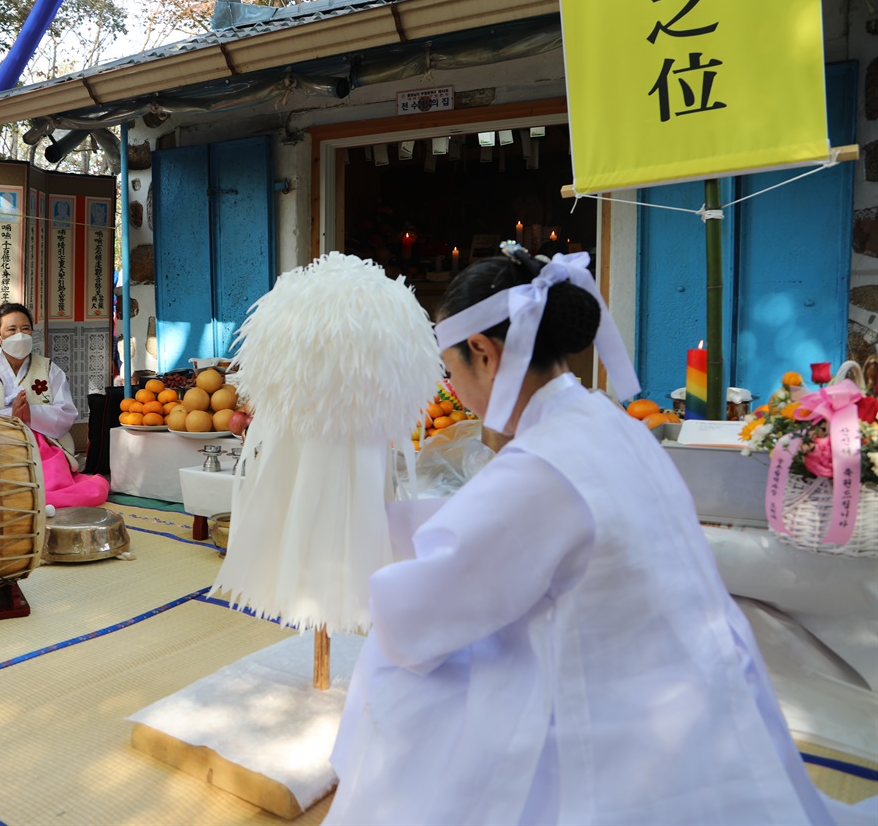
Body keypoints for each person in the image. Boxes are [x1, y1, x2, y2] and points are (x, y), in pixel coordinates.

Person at [325, 248, 843, 824]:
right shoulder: (608, 423)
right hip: (699, 681)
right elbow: (517, 533)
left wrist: (365, 558)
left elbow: (423, 612)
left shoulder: (542, 465)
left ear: (484, 354)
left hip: (613, 704)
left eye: (450, 370)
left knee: (393, 668)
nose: (451, 387)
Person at [0, 303, 109, 508]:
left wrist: (31, 413)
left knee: (48, 473)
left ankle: (41, 496)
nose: (19, 335)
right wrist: (9, 417)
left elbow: (66, 413)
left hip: (43, 444)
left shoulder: (49, 369)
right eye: (11, 330)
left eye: (25, 329)